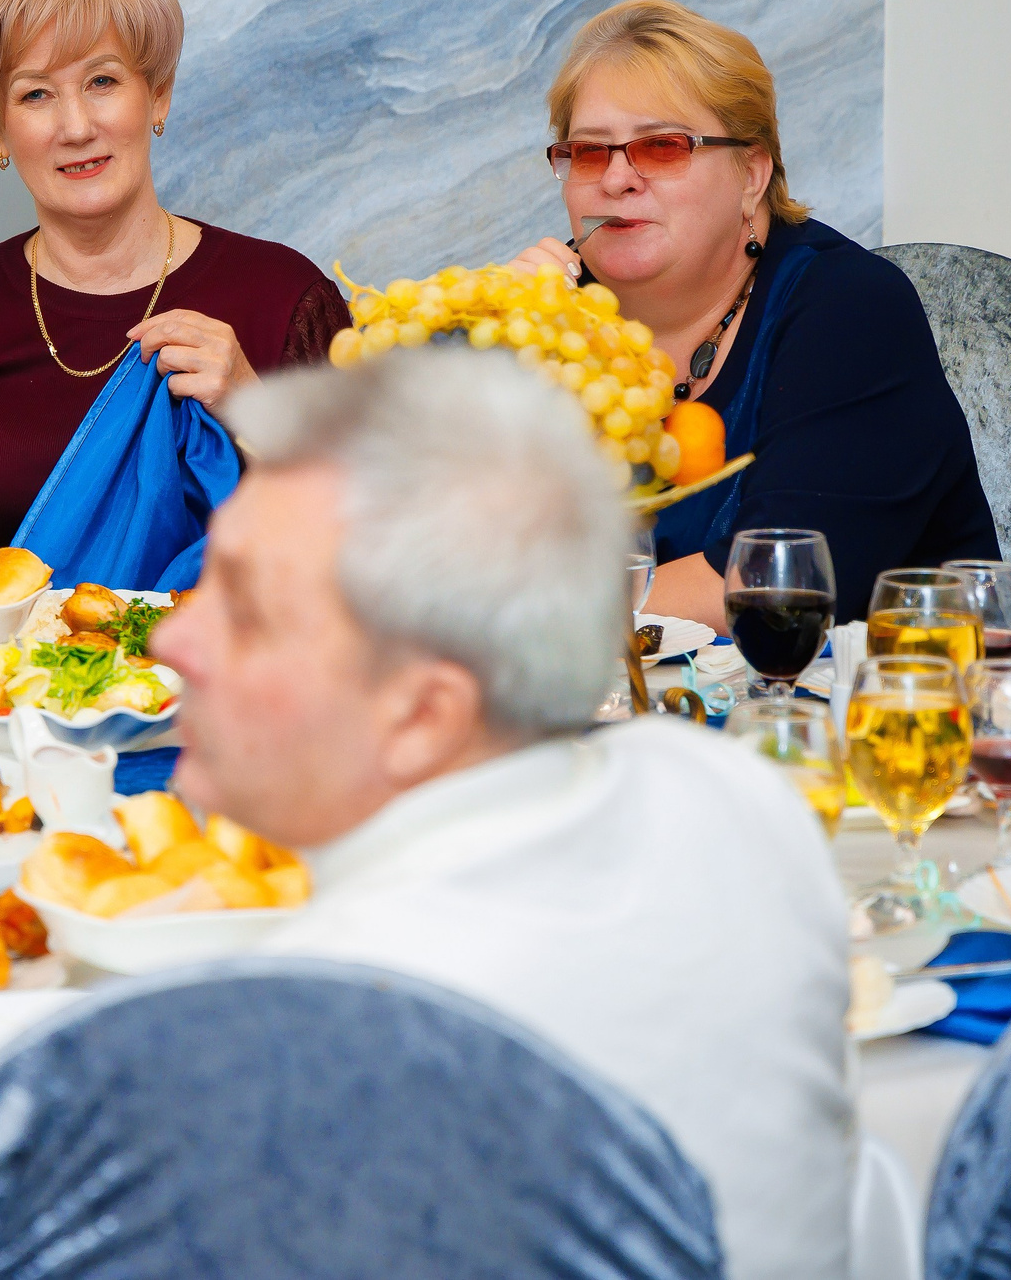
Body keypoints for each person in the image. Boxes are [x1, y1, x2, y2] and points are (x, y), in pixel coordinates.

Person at [151, 347, 854, 1280]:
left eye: (243, 608)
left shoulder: (315, 1027)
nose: (169, 636)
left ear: (424, 712)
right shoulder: (734, 797)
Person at [0, 0, 350, 560]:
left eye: (102, 81)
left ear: (156, 96)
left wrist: (253, 410)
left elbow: (376, 553)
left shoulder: (285, 298)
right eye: (35, 95)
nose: (76, 127)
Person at [512, 0, 997, 631]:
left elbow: (772, 590)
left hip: (881, 710)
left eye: (661, 147)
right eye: (591, 152)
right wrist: (499, 363)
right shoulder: (543, 314)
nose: (618, 179)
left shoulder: (852, 312)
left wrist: (516, 621)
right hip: (612, 711)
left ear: (751, 172)